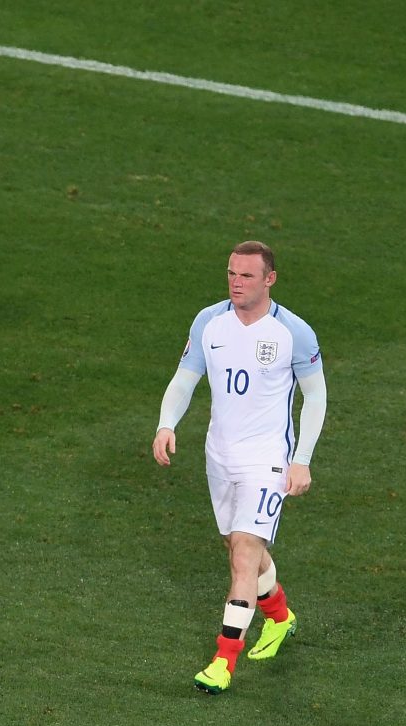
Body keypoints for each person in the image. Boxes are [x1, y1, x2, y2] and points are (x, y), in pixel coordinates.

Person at [151, 241, 327, 694]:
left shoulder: (294, 333)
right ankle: (280, 617)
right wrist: (166, 424)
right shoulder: (209, 321)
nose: (235, 282)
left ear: (269, 279)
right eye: (231, 273)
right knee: (237, 548)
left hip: (268, 458)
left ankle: (223, 662)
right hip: (220, 454)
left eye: (246, 276)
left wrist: (301, 460)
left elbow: (316, 397)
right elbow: (185, 378)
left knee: (245, 552)